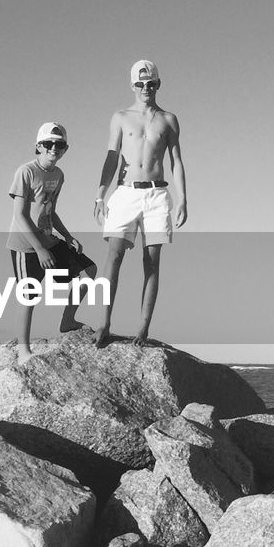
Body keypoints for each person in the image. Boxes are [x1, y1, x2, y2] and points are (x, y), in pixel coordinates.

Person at [93, 60, 187, 346]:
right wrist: (100, 194)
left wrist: (183, 198)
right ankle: (104, 323)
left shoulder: (168, 119)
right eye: (140, 83)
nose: (146, 88)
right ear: (132, 85)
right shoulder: (120, 117)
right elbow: (112, 156)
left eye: (151, 83)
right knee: (114, 256)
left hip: (157, 195)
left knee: (152, 262)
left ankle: (143, 329)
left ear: (158, 84)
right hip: (126, 193)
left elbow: (176, 160)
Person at [7, 122, 97, 363]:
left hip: (48, 240)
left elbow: (51, 211)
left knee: (89, 271)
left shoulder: (58, 175)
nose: (53, 148)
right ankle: (23, 350)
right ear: (38, 146)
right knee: (29, 295)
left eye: (59, 144)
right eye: (48, 144)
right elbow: (20, 215)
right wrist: (38, 249)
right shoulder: (25, 171)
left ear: (65, 148)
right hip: (25, 244)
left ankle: (67, 321)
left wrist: (68, 236)